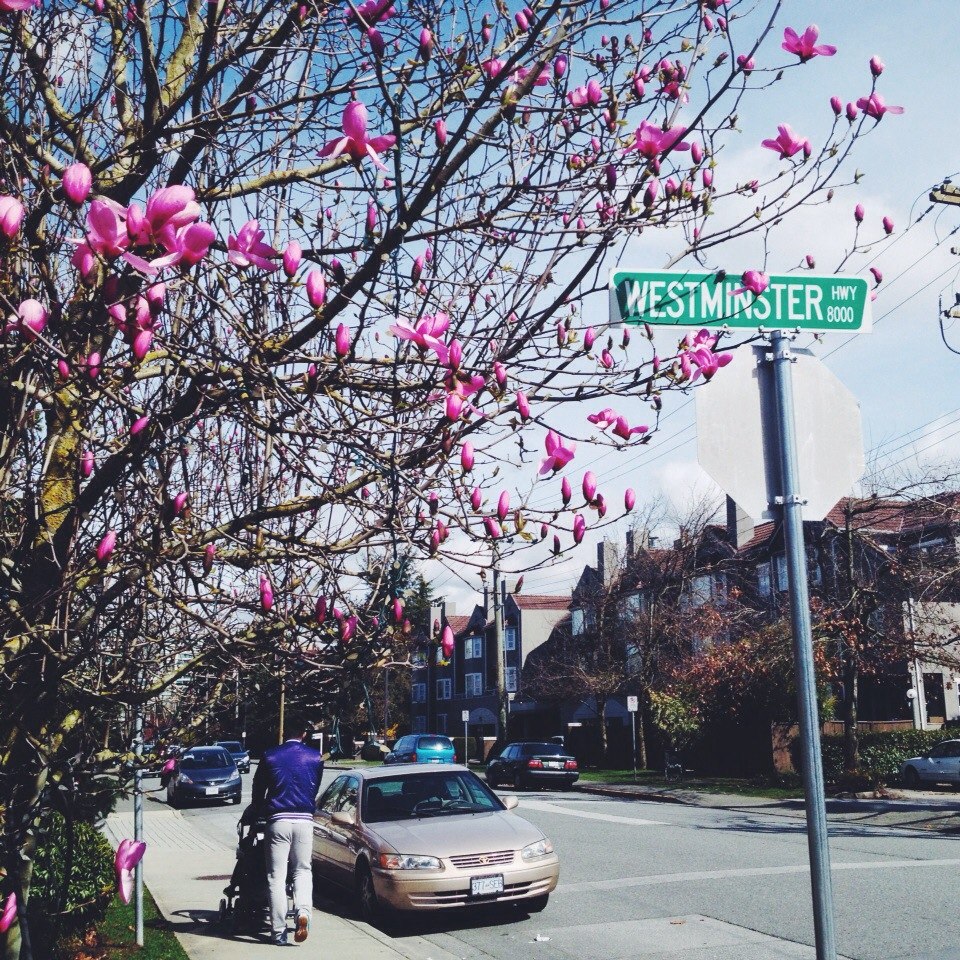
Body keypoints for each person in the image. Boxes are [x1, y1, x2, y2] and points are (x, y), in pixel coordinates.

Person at [252, 717, 324, 946]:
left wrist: (258, 809)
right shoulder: (314, 757)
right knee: (303, 870)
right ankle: (303, 912)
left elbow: (258, 788)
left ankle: (278, 932)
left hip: (278, 819)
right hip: (304, 820)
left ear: (283, 733)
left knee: (276, 877)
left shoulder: (270, 755)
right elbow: (315, 786)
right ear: (303, 733)